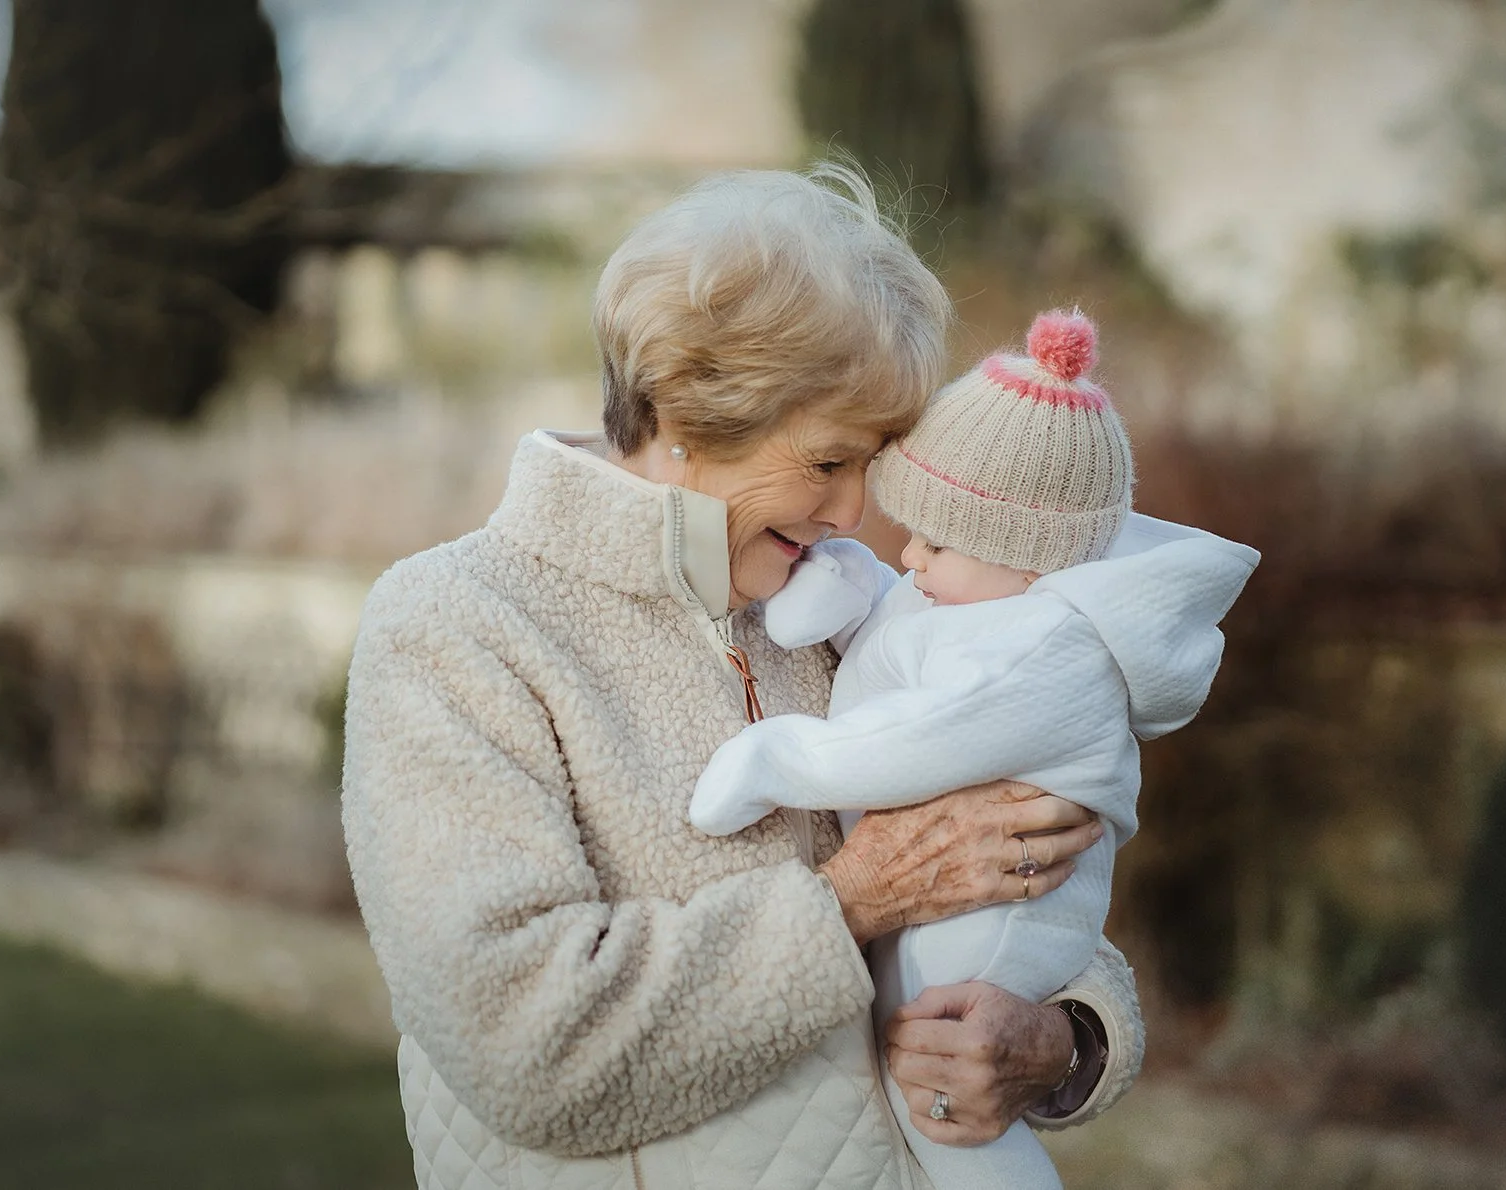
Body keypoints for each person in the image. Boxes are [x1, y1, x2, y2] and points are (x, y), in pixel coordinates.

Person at [341, 166, 1147, 1190]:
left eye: (873, 465)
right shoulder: (455, 624)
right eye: (825, 463)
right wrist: (849, 899)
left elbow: (1025, 877)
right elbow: (520, 1038)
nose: (855, 514)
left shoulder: (850, 609)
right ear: (689, 405)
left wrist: (1061, 1038)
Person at [689, 310, 1259, 1190]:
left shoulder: (1040, 654)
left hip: (994, 932)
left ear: (1026, 559)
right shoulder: (975, 597)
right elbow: (898, 614)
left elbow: (910, 740)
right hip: (943, 917)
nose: (906, 553)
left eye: (937, 540)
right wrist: (839, 587)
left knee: (935, 1093)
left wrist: (774, 759)